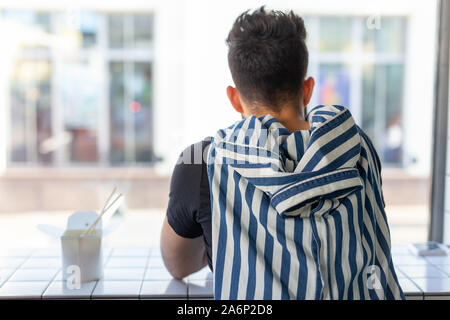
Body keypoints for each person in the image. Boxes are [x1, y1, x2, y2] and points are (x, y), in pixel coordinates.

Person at [160, 6, 404, 300]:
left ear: (235, 99)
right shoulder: (356, 145)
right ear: (308, 90)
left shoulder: (202, 162)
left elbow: (178, 264)